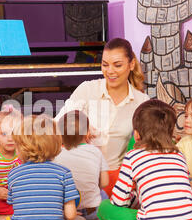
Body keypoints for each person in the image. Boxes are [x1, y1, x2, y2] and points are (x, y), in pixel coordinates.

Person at [97, 99, 192, 220]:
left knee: (104, 207)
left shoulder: (132, 156)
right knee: (137, 198)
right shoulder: (179, 155)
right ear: (170, 132)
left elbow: (118, 202)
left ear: (136, 134)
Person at [55, 38, 150, 197]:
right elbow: (58, 124)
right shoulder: (87, 89)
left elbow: (144, 146)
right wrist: (76, 130)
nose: (110, 71)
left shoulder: (142, 101)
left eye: (117, 65)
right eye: (105, 64)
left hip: (116, 176)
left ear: (131, 65)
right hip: (81, 170)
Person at [6, 114, 87, 220]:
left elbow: (16, 207)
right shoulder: (64, 173)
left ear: (22, 148)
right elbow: (71, 215)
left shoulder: (13, 174)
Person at [53, 110, 109, 220]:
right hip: (94, 211)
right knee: (104, 196)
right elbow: (104, 182)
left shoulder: (56, 154)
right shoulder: (95, 151)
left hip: (67, 210)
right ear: (87, 133)